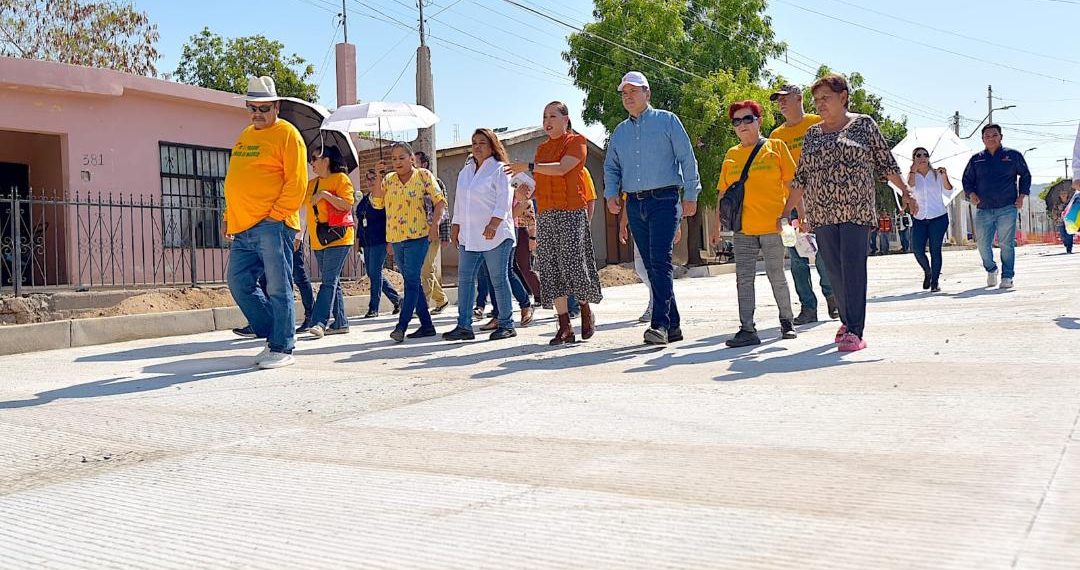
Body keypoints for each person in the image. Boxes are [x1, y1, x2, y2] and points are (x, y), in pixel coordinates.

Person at [792, 73, 915, 352]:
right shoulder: (812, 134)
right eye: (816, 100)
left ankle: (856, 330)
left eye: (826, 98)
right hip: (822, 213)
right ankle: (847, 321)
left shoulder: (863, 125)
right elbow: (801, 176)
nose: (820, 104)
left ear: (843, 97)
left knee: (852, 268)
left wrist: (905, 190)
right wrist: (788, 210)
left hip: (856, 210)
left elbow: (886, 163)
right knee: (834, 271)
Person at [603, 71, 699, 346]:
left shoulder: (667, 121)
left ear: (647, 93)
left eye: (633, 91)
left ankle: (659, 325)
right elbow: (611, 166)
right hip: (635, 203)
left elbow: (687, 158)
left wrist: (691, 194)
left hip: (665, 200)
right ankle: (674, 325)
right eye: (624, 93)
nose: (628, 97)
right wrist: (611, 193)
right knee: (651, 265)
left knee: (659, 261)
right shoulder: (620, 132)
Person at [223, 76, 307, 369]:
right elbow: (235, 177)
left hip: (273, 223)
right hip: (243, 226)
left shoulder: (288, 134)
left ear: (277, 106)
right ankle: (274, 334)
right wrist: (229, 216)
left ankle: (283, 345)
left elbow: (297, 181)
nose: (258, 113)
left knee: (278, 287)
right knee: (238, 282)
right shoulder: (246, 135)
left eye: (264, 108)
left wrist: (276, 216)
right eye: (252, 108)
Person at [506, 101, 603, 345]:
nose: (547, 121)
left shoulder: (577, 142)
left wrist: (529, 166)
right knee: (550, 268)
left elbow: (562, 169)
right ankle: (564, 325)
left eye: (552, 116)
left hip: (571, 211)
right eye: (544, 117)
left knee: (574, 264)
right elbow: (541, 184)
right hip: (547, 214)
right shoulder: (541, 149)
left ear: (565, 119)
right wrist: (525, 192)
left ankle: (584, 309)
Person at [710, 100, 799, 347]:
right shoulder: (731, 155)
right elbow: (723, 194)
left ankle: (787, 322)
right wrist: (716, 226)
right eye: (736, 121)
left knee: (776, 275)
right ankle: (747, 329)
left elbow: (793, 185)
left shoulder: (776, 147)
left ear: (758, 121)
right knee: (743, 279)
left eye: (747, 119)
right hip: (743, 229)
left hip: (773, 227)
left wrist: (796, 215)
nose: (742, 125)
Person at [768, 83, 837, 324]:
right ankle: (808, 307)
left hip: (821, 202)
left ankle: (832, 297)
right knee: (796, 259)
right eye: (778, 100)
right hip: (789, 208)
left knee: (824, 254)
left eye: (785, 98)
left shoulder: (818, 124)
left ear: (799, 99)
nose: (781, 103)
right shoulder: (776, 136)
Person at [443, 129, 518, 341]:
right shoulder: (465, 171)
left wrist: (494, 223)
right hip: (470, 235)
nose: (477, 146)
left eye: (482, 142)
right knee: (465, 279)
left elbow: (504, 199)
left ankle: (506, 324)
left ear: (492, 146)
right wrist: (455, 225)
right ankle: (464, 326)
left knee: (498, 279)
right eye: (474, 142)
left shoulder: (500, 169)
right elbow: (460, 201)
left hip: (496, 235)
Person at [371, 142, 446, 342]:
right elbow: (377, 203)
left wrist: (435, 225)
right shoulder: (388, 180)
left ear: (412, 159)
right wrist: (378, 175)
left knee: (411, 280)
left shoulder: (423, 175)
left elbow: (440, 201)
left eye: (402, 157)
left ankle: (401, 326)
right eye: (394, 158)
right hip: (396, 238)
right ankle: (427, 326)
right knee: (413, 282)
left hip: (418, 237)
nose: (397, 162)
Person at [961, 124, 1031, 289]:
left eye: (994, 135)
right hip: (983, 208)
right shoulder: (976, 159)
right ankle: (991, 269)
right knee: (982, 244)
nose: (991, 138)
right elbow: (967, 180)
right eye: (987, 136)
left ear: (1001, 137)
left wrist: (1022, 196)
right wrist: (971, 194)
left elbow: (1025, 175)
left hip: (1007, 207)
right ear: (982, 139)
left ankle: (1007, 276)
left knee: (1006, 244)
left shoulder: (1013, 155)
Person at [304, 146, 356, 338]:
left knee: (328, 280)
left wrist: (325, 195)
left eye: (314, 158)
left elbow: (347, 205)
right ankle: (341, 322)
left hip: (339, 238)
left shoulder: (341, 179)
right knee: (333, 281)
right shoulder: (311, 184)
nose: (312, 163)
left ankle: (319, 322)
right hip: (319, 240)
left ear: (326, 160)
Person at [356, 168, 402, 317]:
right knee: (372, 273)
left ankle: (373, 308)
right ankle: (397, 300)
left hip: (380, 240)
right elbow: (360, 222)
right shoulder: (364, 200)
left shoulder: (384, 198)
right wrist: (358, 241)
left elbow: (391, 220)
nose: (370, 182)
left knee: (375, 273)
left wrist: (390, 241)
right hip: (367, 242)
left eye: (373, 178)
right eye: (368, 179)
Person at [906, 147, 952, 291]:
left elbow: (948, 191)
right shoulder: (912, 176)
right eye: (918, 155)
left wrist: (945, 176)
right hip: (919, 217)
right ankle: (928, 272)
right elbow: (909, 190)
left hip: (938, 216)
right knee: (917, 250)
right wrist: (912, 171)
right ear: (913, 158)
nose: (922, 158)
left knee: (935, 249)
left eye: (925, 155)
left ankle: (935, 282)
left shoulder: (937, 174)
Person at [414, 151, 451, 313]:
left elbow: (443, 209)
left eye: (415, 161)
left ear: (424, 164)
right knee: (424, 269)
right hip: (416, 233)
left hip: (432, 232)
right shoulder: (412, 184)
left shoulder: (436, 183)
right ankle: (441, 300)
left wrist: (445, 234)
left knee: (426, 269)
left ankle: (423, 305)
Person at [1049, 185, 1075, 254]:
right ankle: (1066, 244)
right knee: (1063, 236)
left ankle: (1069, 248)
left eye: (1065, 193)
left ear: (1067, 194)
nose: (1063, 195)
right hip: (1060, 222)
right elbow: (1054, 212)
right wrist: (1057, 217)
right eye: (1062, 194)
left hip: (1069, 221)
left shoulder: (1071, 202)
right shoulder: (1057, 204)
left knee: (1069, 234)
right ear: (1059, 195)